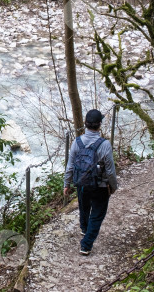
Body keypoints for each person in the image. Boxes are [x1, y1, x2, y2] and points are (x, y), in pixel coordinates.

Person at [63, 109, 118, 256]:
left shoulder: (77, 142)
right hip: (99, 186)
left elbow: (70, 166)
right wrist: (113, 186)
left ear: (85, 124)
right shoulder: (105, 145)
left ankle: (84, 229)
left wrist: (66, 184)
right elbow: (111, 171)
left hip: (81, 184)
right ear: (99, 124)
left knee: (84, 207)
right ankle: (86, 245)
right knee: (98, 214)